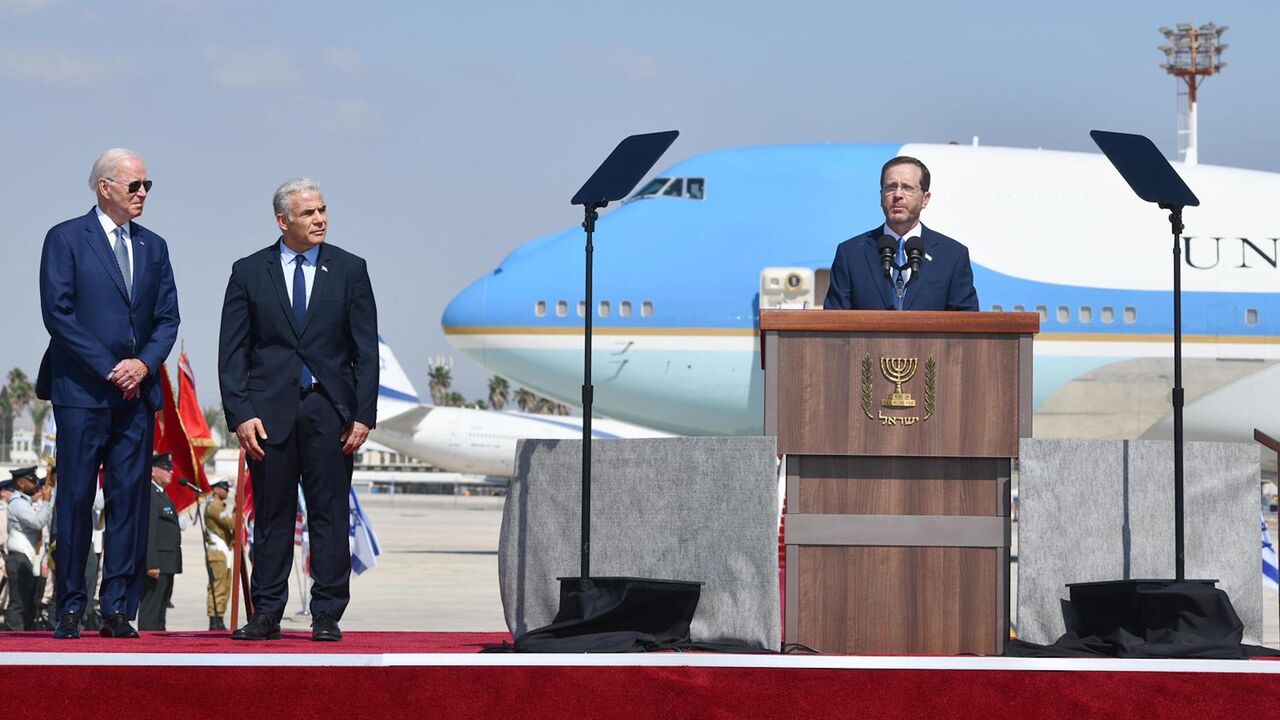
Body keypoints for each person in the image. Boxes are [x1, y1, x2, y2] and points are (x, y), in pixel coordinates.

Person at [218, 178, 378, 642]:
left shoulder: (351, 270)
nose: (320, 219)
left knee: (329, 515)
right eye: (309, 213)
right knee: (271, 516)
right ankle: (266, 612)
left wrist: (362, 414)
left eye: (323, 210)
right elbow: (233, 352)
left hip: (331, 414)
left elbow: (365, 350)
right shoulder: (248, 272)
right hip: (268, 417)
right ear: (282, 221)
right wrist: (240, 413)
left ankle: (327, 613)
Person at [37, 148, 181, 640]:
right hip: (80, 393)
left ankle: (118, 607)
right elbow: (59, 314)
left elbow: (168, 319)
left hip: (136, 396)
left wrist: (142, 365)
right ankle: (70, 607)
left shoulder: (155, 247)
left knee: (129, 503)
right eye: (134, 185)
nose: (143, 194)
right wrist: (108, 367)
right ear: (105, 187)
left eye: (147, 186)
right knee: (75, 500)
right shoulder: (65, 239)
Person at [823, 156, 979, 311]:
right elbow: (833, 322)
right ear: (881, 196)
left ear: (925, 199)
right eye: (891, 187)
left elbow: (967, 324)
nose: (898, 195)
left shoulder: (952, 256)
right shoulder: (851, 253)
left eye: (907, 188)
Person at [4, 468, 53, 631]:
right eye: (31, 480)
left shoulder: (25, 502)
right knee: (19, 602)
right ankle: (14, 638)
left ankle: (25, 635)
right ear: (20, 483)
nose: (35, 483)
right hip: (19, 557)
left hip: (28, 557)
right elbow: (37, 523)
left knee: (30, 602)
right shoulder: (17, 503)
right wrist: (46, 502)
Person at [138, 453, 182, 631]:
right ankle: (148, 646)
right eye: (165, 468)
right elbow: (149, 531)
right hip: (157, 564)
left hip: (167, 563)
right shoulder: (150, 494)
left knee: (161, 609)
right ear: (153, 471)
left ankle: (159, 644)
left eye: (170, 468)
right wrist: (151, 563)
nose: (170, 471)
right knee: (151, 609)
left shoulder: (162, 494)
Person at [203, 479, 234, 631]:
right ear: (215, 489)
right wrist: (238, 514)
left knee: (225, 586)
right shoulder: (214, 505)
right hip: (217, 551)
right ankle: (214, 620)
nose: (227, 491)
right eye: (224, 488)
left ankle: (219, 617)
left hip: (223, 550)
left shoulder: (219, 504)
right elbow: (231, 524)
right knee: (218, 586)